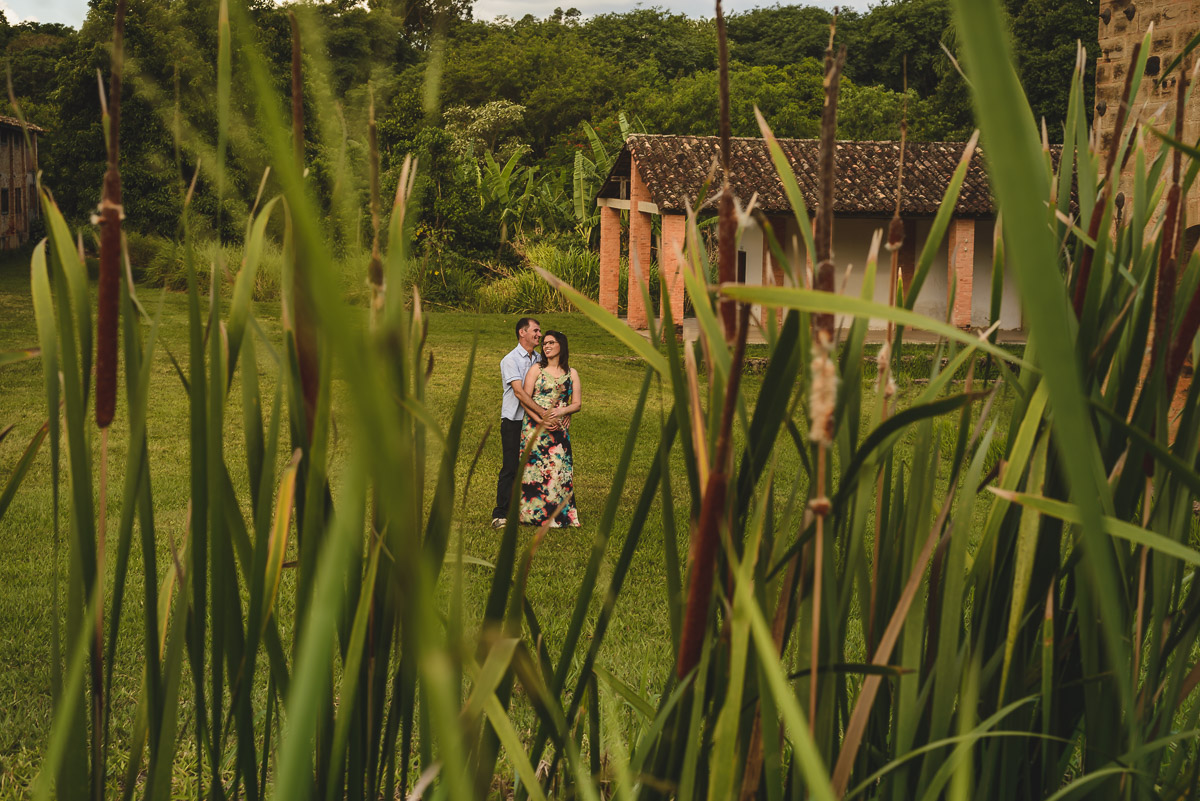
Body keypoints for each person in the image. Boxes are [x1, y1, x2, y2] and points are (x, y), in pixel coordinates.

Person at [519, 330, 582, 528]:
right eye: (544, 343)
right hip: (534, 428)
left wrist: (563, 411)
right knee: (535, 471)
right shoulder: (536, 369)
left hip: (559, 430)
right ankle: (535, 515)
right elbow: (526, 400)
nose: (545, 346)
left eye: (550, 343)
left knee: (558, 470)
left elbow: (577, 404)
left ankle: (559, 515)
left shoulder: (571, 373)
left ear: (561, 346)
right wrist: (541, 419)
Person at [492, 317, 543, 528]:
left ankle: (531, 510)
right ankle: (500, 514)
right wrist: (542, 413)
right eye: (536, 330)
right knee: (511, 466)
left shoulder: (540, 359)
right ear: (522, 332)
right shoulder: (510, 360)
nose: (539, 334)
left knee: (536, 465)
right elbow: (519, 392)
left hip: (534, 422)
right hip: (514, 420)